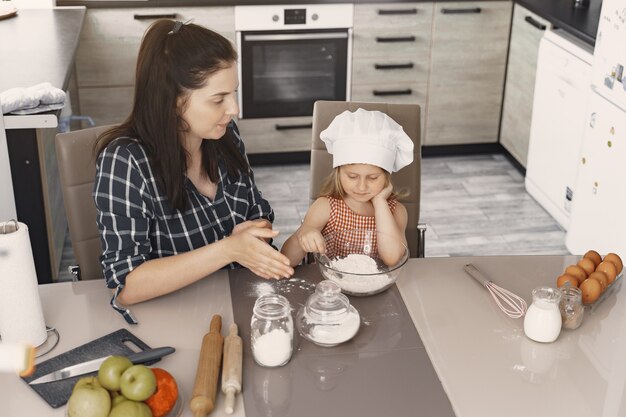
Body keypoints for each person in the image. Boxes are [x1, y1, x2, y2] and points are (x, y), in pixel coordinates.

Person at [93, 20, 294, 323]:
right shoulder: (126, 162)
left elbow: (257, 211)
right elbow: (126, 284)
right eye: (218, 99)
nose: (234, 109)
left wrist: (254, 234)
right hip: (175, 320)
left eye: (233, 93)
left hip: (240, 304)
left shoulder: (224, 135)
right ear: (174, 100)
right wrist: (228, 250)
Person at [281, 108, 414, 267]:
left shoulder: (395, 211)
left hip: (378, 286)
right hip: (331, 287)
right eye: (352, 176)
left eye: (373, 178)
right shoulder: (326, 207)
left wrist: (380, 203)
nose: (362, 186)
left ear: (386, 176)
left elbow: (392, 258)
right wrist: (303, 234)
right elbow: (287, 259)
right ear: (338, 173)